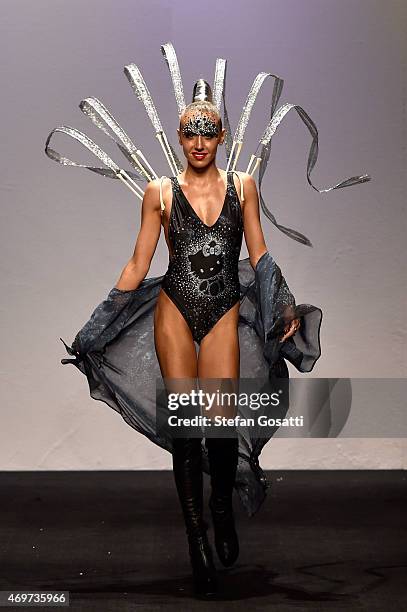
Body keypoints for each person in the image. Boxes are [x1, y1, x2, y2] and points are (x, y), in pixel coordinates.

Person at [105, 80, 300, 598]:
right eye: (190, 134)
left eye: (208, 133)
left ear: (221, 136)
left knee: (219, 426)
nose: (198, 142)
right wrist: (99, 322)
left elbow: (258, 251)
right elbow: (138, 262)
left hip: (222, 311)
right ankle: (197, 541)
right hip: (174, 308)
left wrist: (283, 301)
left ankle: (219, 505)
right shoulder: (160, 192)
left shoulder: (243, 186)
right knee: (186, 429)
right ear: (177, 138)